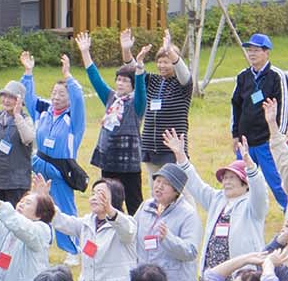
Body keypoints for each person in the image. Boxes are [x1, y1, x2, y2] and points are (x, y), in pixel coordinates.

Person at [168, 131, 274, 281]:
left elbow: (260, 191)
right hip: (214, 272)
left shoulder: (252, 205)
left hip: (239, 275)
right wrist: (181, 156)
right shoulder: (218, 199)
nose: (226, 181)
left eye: (232, 178)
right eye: (224, 178)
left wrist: (250, 165)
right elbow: (196, 185)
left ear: (245, 183)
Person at [24, 52, 90, 253]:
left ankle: (72, 249)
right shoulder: (44, 112)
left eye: (62, 94)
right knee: (36, 205)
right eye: (54, 93)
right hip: (39, 166)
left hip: (61, 170)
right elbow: (28, 99)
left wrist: (68, 76)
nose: (56, 97)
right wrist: (28, 73)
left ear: (69, 98)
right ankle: (40, 243)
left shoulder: (73, 119)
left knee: (64, 209)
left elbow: (79, 98)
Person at [78, 31, 145, 212]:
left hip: (129, 163)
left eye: (125, 81)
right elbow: (95, 78)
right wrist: (85, 52)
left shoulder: (135, 104)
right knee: (110, 203)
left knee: (134, 204)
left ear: (131, 85)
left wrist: (138, 70)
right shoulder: (110, 98)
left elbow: (141, 91)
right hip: (109, 160)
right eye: (118, 80)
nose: (120, 83)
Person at [228, 33, 288, 205]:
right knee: (240, 180)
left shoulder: (276, 76)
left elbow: (284, 106)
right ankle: (237, 212)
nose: (252, 54)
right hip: (246, 141)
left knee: (277, 182)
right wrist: (235, 134)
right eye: (249, 50)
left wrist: (280, 135)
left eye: (256, 50)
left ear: (266, 52)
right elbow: (235, 105)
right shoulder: (243, 76)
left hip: (267, 141)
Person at [135, 162, 201, 281]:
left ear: (177, 191)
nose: (159, 187)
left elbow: (190, 251)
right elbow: (132, 235)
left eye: (166, 184)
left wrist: (168, 239)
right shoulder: (145, 207)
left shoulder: (188, 215)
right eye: (158, 181)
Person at [135, 31, 195, 151]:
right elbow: (135, 71)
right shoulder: (153, 81)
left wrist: (170, 52)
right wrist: (136, 58)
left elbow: (184, 73)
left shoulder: (182, 84)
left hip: (172, 149)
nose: (161, 65)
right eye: (159, 62)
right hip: (149, 147)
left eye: (166, 62)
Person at [0, 79, 39, 203]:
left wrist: (17, 115)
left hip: (16, 183)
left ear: (20, 101)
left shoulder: (25, 120)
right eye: (4, 96)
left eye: (12, 97)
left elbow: (28, 138)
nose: (6, 100)